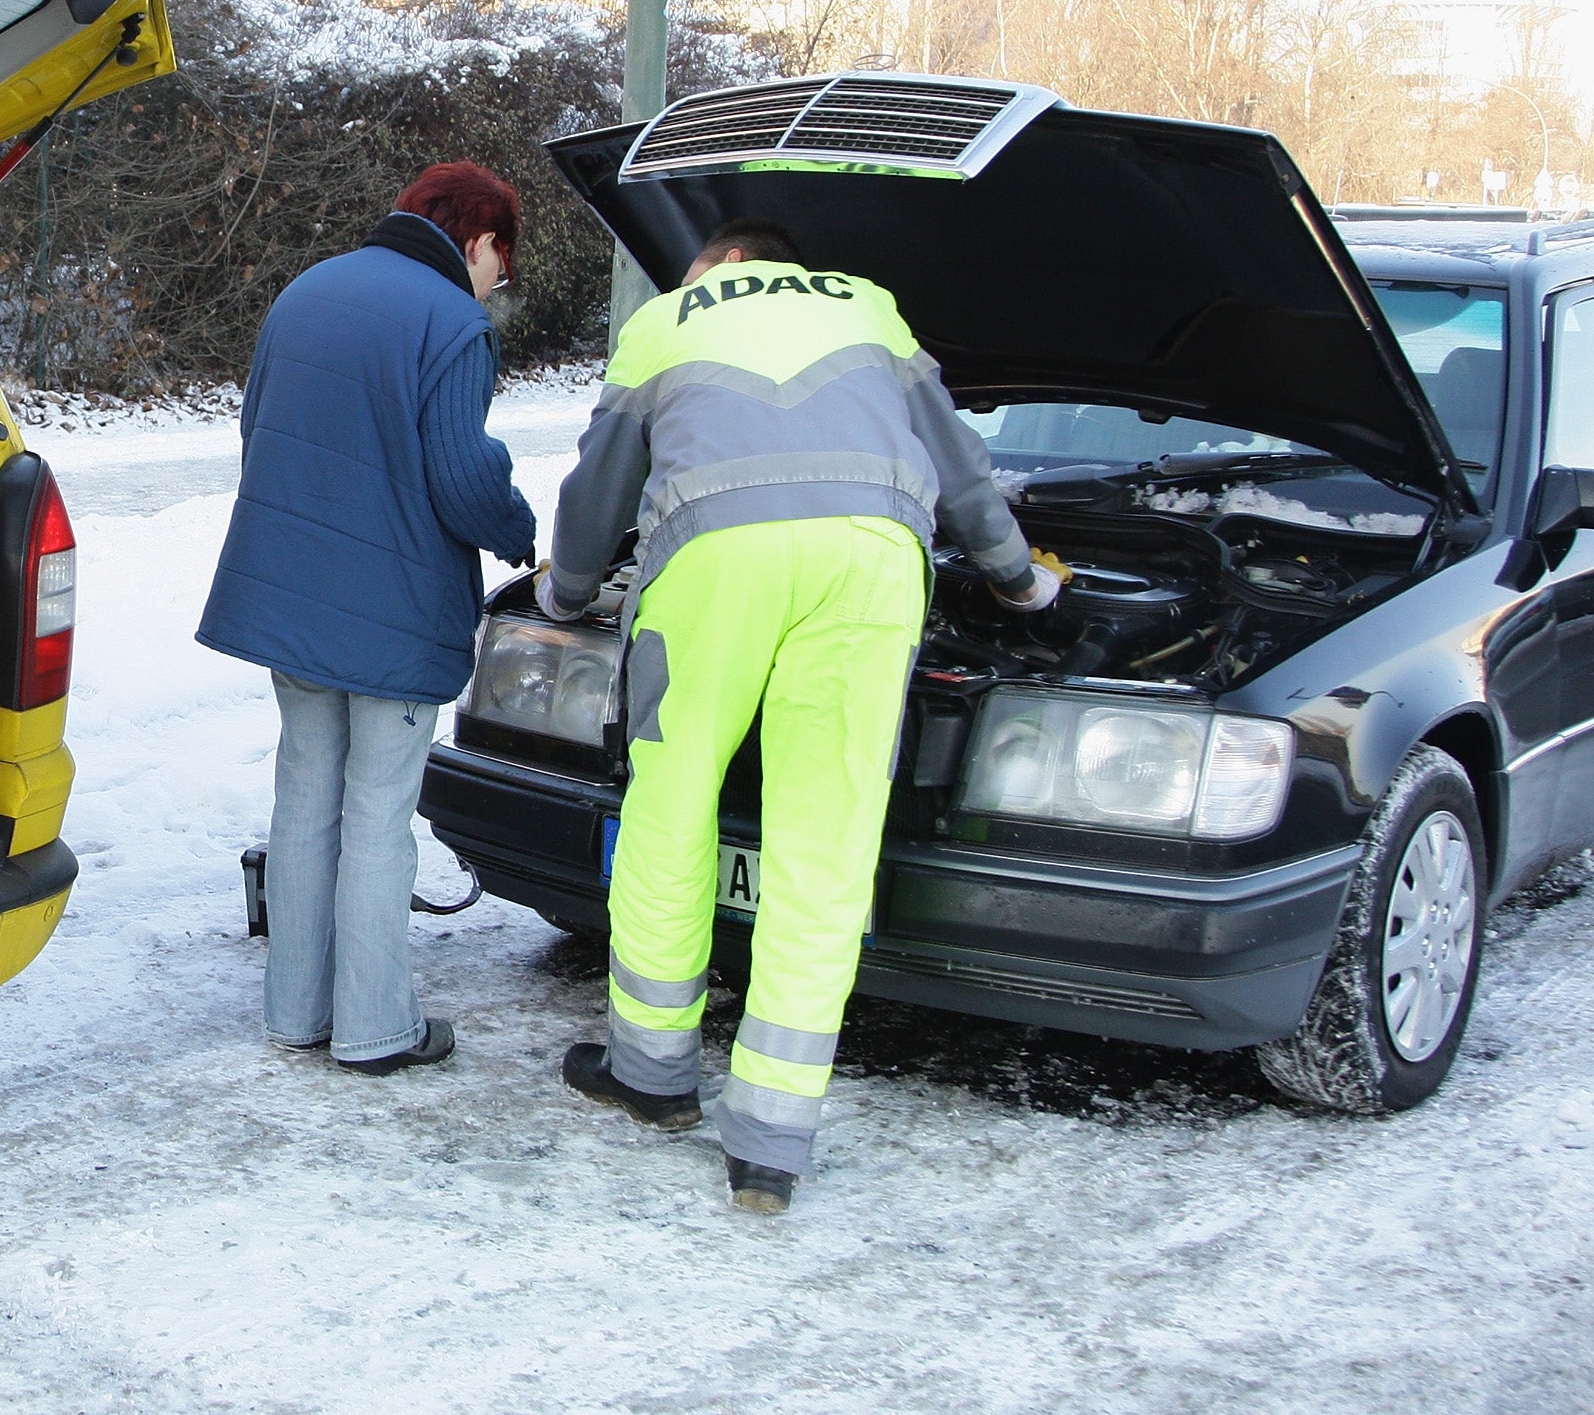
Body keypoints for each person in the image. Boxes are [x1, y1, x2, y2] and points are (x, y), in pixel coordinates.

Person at [538, 216, 1059, 1211]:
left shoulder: (666, 319)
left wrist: (567, 592)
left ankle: (651, 1075)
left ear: (728, 262)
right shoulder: (870, 309)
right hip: (869, 558)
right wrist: (1015, 578)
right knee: (827, 835)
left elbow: (598, 484)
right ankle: (772, 1138)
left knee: (672, 799)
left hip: (712, 561)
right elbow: (959, 466)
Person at [199, 162, 539, 1074]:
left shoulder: (307, 290)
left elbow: (258, 426)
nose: (496, 288)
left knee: (305, 798)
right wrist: (517, 530)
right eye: (499, 266)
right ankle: (377, 1028)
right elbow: (463, 478)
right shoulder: (452, 323)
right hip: (392, 608)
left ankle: (297, 1011)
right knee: (380, 812)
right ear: (476, 241)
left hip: (292, 594)